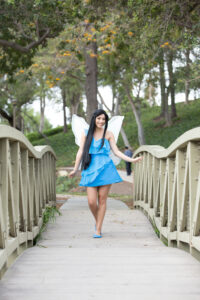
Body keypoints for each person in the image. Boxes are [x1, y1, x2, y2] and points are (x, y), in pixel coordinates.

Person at [69, 109, 142, 238]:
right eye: (99, 118)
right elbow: (80, 151)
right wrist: (75, 169)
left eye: (103, 119)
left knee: (102, 200)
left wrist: (132, 159)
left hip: (106, 169)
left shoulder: (108, 134)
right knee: (91, 202)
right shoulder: (86, 133)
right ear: (94, 119)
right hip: (90, 168)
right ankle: (98, 221)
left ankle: (98, 229)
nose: (101, 121)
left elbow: (116, 152)